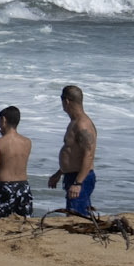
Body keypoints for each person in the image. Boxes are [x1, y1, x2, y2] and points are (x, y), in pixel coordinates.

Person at [47, 84, 98, 217]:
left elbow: (89, 155)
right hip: (73, 176)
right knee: (74, 214)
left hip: (80, 177)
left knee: (77, 217)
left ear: (66, 101)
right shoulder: (75, 122)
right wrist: (59, 173)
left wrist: (78, 183)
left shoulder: (82, 124)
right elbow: (74, 153)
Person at [0, 105, 33, 220]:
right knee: (24, 222)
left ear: (4, 120)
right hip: (23, 187)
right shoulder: (27, 142)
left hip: (5, 188)